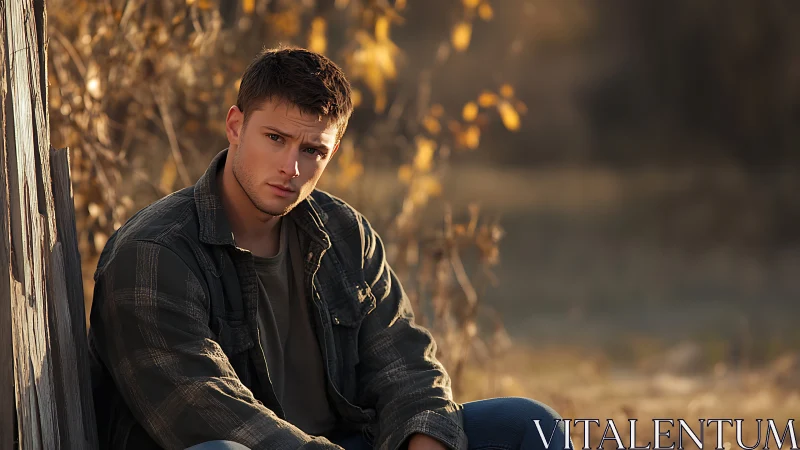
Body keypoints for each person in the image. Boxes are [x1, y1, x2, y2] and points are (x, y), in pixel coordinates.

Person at [88, 46, 570, 450]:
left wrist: (426, 438)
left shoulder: (342, 231)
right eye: (274, 138)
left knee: (529, 426)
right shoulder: (154, 253)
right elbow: (206, 410)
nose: (290, 168)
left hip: (345, 440)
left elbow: (404, 361)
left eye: (311, 150)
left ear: (332, 151)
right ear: (236, 126)